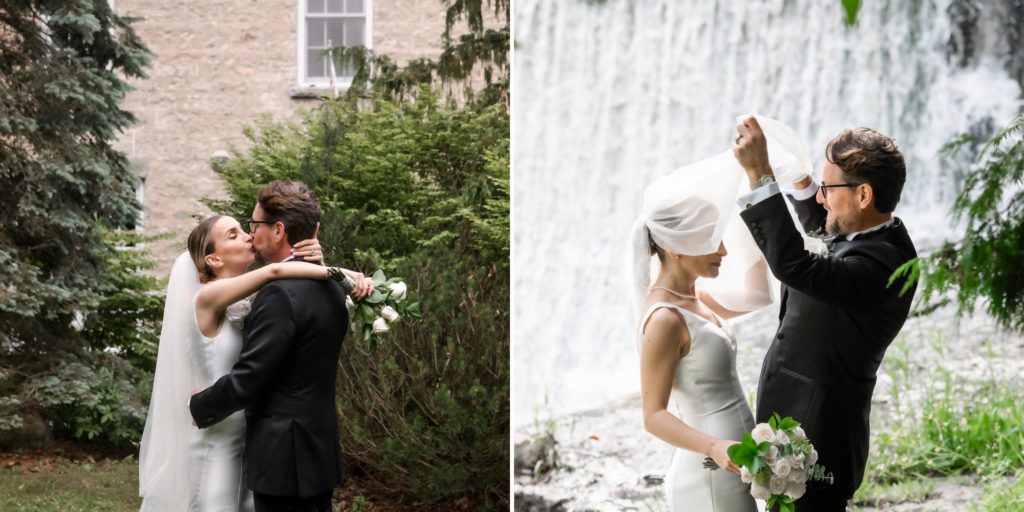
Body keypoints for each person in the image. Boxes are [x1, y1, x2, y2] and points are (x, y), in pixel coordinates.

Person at [733, 117, 917, 510]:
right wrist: (801, 181)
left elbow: (795, 266)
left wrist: (761, 177)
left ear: (864, 194)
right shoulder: (876, 234)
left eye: (828, 187)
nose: (821, 196)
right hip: (799, 421)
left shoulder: (880, 267)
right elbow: (830, 227)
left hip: (820, 437)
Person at [139, 212, 371, 511]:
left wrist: (344, 273)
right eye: (233, 235)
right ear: (214, 261)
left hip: (250, 437)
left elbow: (293, 285)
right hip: (218, 434)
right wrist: (342, 276)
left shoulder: (249, 298)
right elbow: (277, 272)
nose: (248, 236)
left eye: (244, 229)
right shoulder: (207, 297)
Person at [188, 181, 356, 512]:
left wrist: (199, 406)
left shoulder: (279, 293)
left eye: (254, 225)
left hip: (284, 458)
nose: (251, 235)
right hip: (318, 452)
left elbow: (250, 378)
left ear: (278, 230)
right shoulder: (333, 288)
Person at [631, 183, 774, 511]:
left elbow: (760, 294)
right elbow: (653, 416)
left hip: (735, 461)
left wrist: (754, 211)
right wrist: (715, 446)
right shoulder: (665, 319)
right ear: (675, 246)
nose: (723, 251)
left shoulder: (696, 300)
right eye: (713, 240)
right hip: (710, 468)